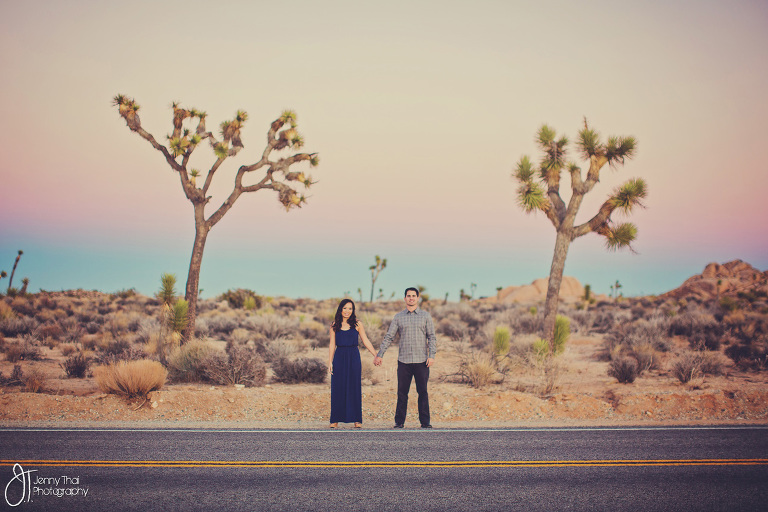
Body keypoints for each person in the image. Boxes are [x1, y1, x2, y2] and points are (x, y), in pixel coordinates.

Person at [374, 287, 436, 428]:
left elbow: (431, 337)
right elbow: (389, 337)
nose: (411, 298)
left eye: (414, 296)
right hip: (404, 361)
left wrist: (431, 355)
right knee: (402, 393)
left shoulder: (426, 316)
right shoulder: (398, 317)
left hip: (422, 361)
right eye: (408, 296)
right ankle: (399, 422)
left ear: (418, 298)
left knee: (423, 392)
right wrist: (380, 354)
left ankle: (425, 423)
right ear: (404, 299)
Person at [328, 298, 378, 428]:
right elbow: (332, 344)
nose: (347, 311)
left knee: (354, 387)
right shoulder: (334, 325)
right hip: (339, 357)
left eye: (350, 308)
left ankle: (357, 419)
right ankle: (335, 419)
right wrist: (330, 362)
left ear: (353, 310)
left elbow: (365, 340)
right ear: (340, 309)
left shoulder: (357, 324)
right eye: (345, 308)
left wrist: (375, 354)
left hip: (353, 356)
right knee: (337, 387)